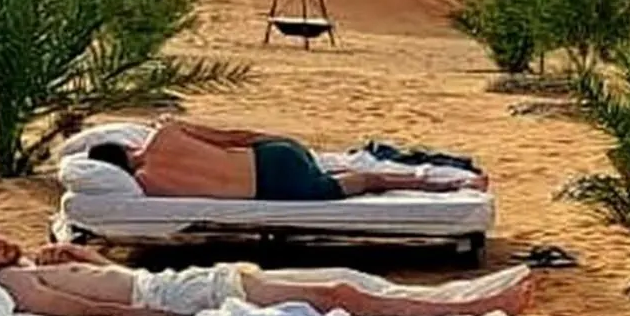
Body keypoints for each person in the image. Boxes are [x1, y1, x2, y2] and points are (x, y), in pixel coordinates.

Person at [0, 223, 533, 316]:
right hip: (183, 297)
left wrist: (86, 258)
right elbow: (78, 312)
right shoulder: (13, 285)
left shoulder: (30, 264)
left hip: (193, 280)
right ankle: (469, 310)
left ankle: (457, 295)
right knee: (337, 293)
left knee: (343, 275)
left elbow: (104, 281)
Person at [84, 121, 489, 200]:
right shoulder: (166, 132)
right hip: (273, 157)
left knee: (369, 181)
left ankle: (453, 184)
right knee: (353, 167)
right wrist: (278, 140)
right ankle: (452, 175)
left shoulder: (149, 187)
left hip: (279, 189)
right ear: (123, 145)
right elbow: (232, 137)